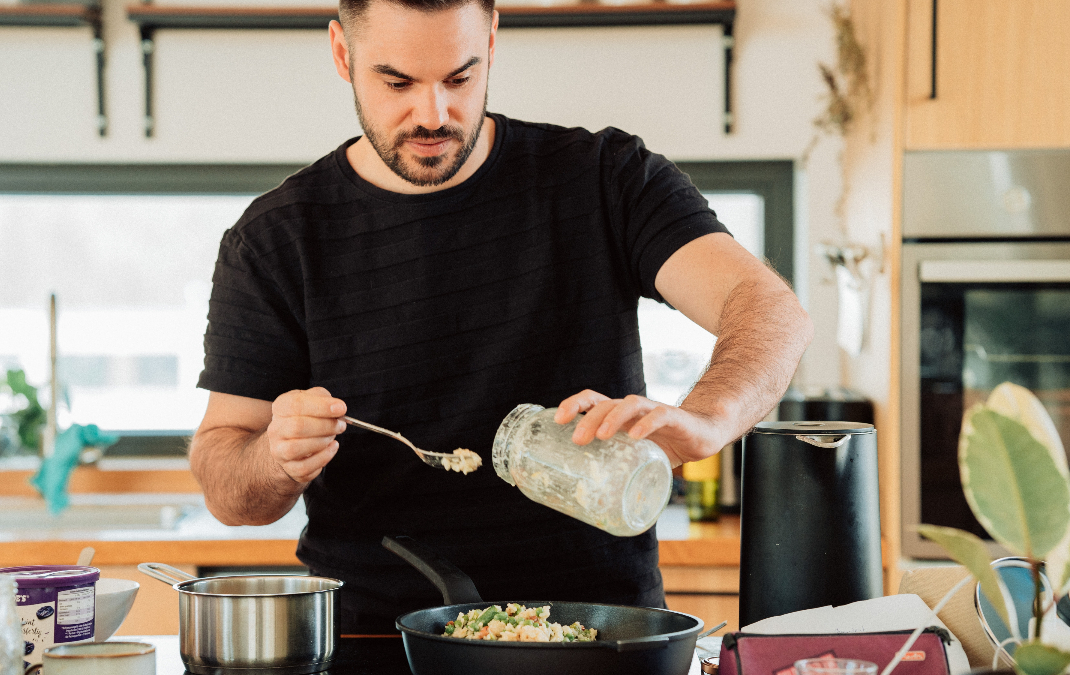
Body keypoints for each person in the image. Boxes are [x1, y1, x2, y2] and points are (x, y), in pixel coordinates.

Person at [190, 0, 813, 634]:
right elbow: (227, 482)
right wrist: (275, 457)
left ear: (491, 39)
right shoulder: (274, 241)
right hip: (379, 642)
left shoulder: (602, 179)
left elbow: (768, 308)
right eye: (397, 82)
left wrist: (708, 419)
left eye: (459, 78)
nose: (433, 115)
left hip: (599, 636)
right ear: (342, 54)